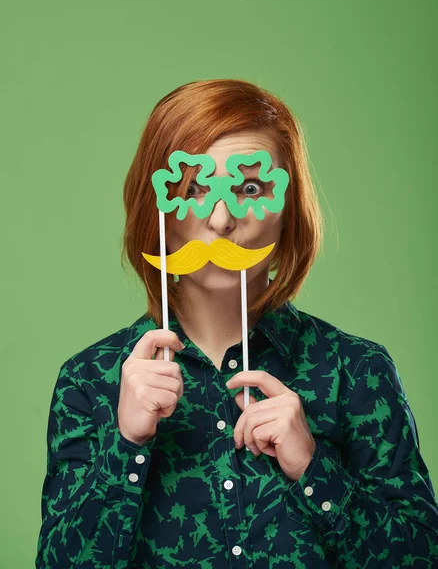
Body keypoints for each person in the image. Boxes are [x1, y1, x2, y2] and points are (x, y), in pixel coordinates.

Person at [36, 78, 438, 568]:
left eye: (249, 188)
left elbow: (421, 557)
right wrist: (127, 445)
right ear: (158, 211)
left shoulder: (357, 371)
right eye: (194, 189)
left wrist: (312, 468)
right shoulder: (88, 381)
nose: (222, 220)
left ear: (287, 210)